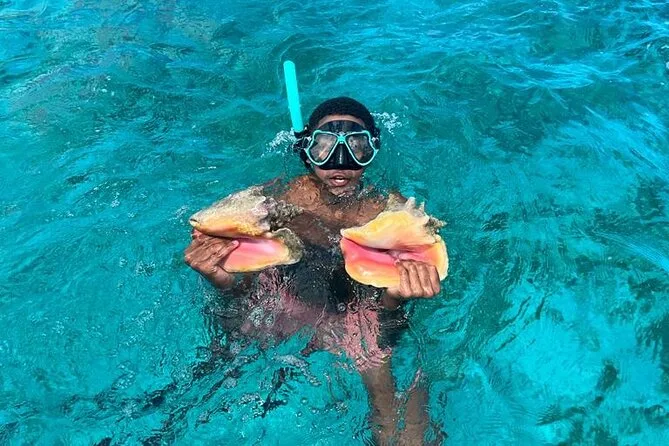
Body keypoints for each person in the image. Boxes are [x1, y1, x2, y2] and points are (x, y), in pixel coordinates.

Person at [184, 97, 442, 444]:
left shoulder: (389, 212)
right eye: (324, 146)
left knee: (401, 415)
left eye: (357, 147)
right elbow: (247, 281)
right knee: (209, 379)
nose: (340, 162)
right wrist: (220, 276)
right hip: (288, 302)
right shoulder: (279, 199)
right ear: (306, 149)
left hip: (358, 316)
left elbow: (388, 304)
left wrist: (399, 296)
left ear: (373, 149)